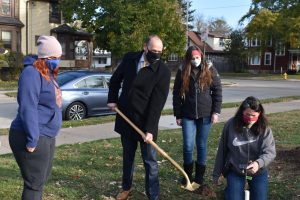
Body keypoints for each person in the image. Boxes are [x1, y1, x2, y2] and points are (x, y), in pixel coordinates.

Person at [107, 35, 171, 200]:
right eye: (153, 50)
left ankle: (153, 195)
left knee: (150, 161)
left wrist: (149, 129)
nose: (156, 54)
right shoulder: (130, 59)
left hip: (145, 122)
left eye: (159, 52)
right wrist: (112, 99)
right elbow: (115, 81)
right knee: (128, 157)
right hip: (126, 117)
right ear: (145, 47)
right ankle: (126, 188)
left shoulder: (163, 70)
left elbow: (157, 103)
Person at [9, 36, 63, 200]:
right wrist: (32, 139)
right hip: (32, 134)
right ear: (45, 58)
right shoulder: (31, 73)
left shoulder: (48, 74)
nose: (57, 61)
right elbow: (28, 107)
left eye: (59, 58)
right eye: (54, 58)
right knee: (34, 184)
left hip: (46, 134)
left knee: (40, 180)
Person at [172, 45, 222, 185]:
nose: (195, 60)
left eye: (197, 57)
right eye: (192, 58)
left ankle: (199, 176)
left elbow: (217, 91)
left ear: (201, 57)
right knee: (188, 145)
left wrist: (215, 112)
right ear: (188, 58)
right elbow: (176, 93)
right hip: (187, 115)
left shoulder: (210, 69)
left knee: (201, 145)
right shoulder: (182, 70)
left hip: (205, 114)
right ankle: (187, 175)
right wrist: (178, 114)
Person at [212, 96, 276, 200]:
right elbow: (222, 150)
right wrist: (216, 174)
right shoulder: (230, 125)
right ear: (242, 112)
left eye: (254, 115)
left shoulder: (265, 128)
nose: (250, 118)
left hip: (258, 172)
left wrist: (258, 163)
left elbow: (270, 152)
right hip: (236, 170)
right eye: (247, 114)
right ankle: (230, 190)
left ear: (259, 114)